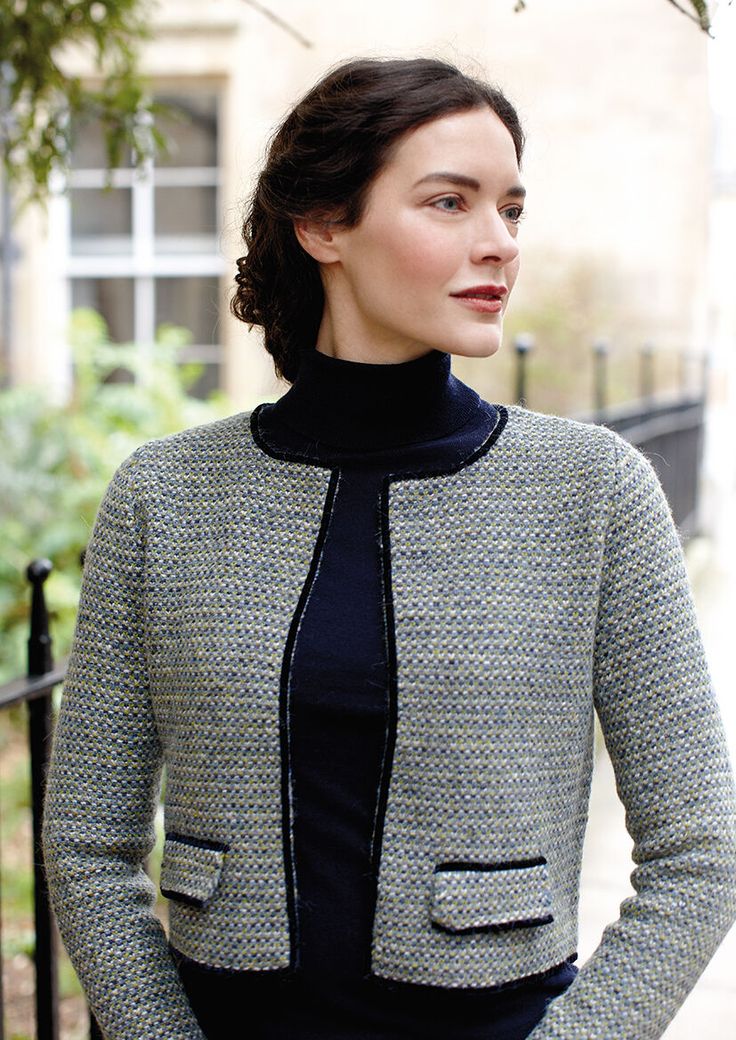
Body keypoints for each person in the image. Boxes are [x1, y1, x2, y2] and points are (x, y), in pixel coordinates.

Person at [42, 57, 736, 1040]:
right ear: (323, 225)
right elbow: (85, 839)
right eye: (449, 202)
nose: (497, 242)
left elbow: (702, 847)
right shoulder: (164, 496)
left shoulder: (592, 490)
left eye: (511, 208)